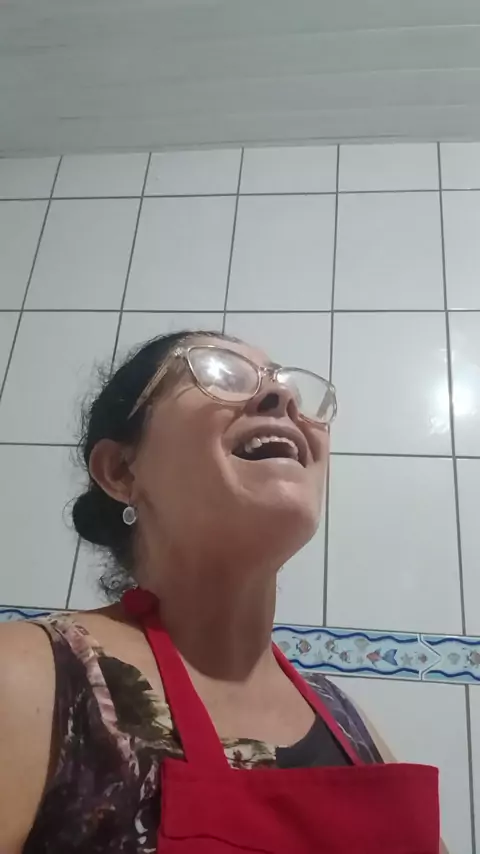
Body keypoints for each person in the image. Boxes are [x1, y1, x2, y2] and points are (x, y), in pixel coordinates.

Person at [0, 330, 445, 853]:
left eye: (288, 383)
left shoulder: (351, 723)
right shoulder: (29, 678)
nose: (282, 397)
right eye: (220, 373)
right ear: (121, 471)